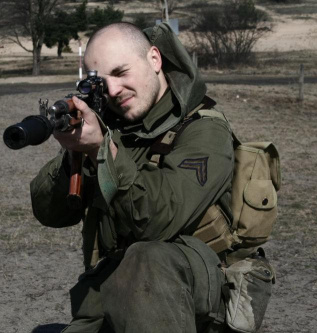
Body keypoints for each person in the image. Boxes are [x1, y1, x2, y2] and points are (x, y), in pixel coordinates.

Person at [30, 22, 235, 333]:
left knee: (147, 256)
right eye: (102, 82)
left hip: (191, 307)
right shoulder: (113, 129)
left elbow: (157, 220)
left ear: (154, 59)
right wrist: (74, 155)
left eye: (121, 72)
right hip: (115, 298)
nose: (113, 91)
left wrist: (103, 150)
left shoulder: (205, 131)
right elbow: (50, 213)